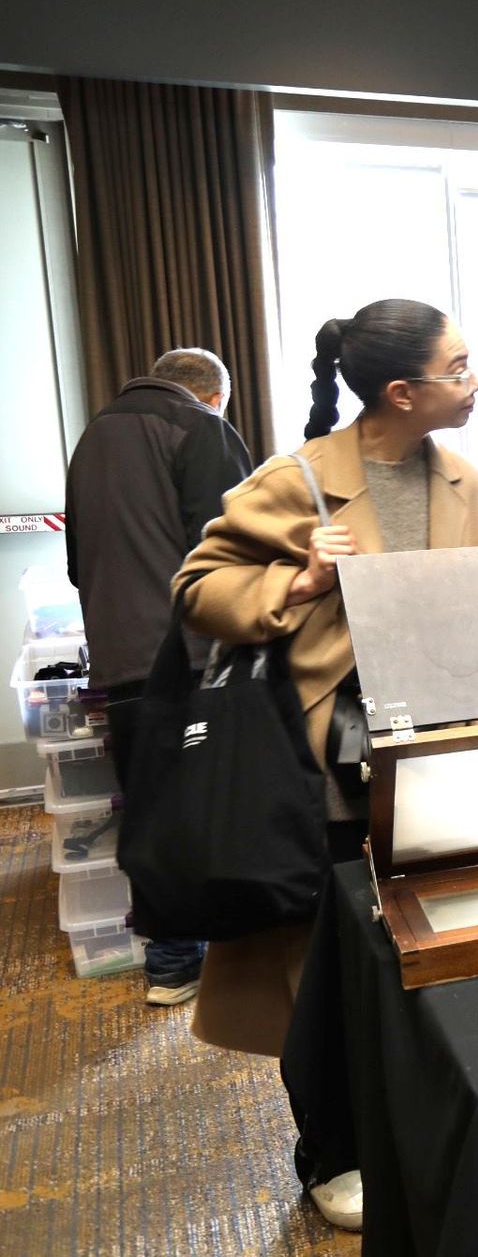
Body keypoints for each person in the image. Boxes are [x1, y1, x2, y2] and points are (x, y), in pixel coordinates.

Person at [175, 298, 478, 1231]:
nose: (476, 383)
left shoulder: (467, 481)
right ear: (403, 391)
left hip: (430, 757)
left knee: (425, 955)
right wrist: (299, 582)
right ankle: (331, 1150)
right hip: (318, 772)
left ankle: (415, 1129)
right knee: (317, 976)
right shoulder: (296, 480)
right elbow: (197, 589)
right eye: (461, 367)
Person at [65, 348, 252, 1007]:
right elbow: (234, 552)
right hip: (192, 660)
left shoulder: (92, 439)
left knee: (149, 813)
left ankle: (171, 963)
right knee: (212, 809)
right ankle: (226, 953)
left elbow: (75, 563)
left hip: (119, 661)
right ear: (213, 396)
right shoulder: (199, 429)